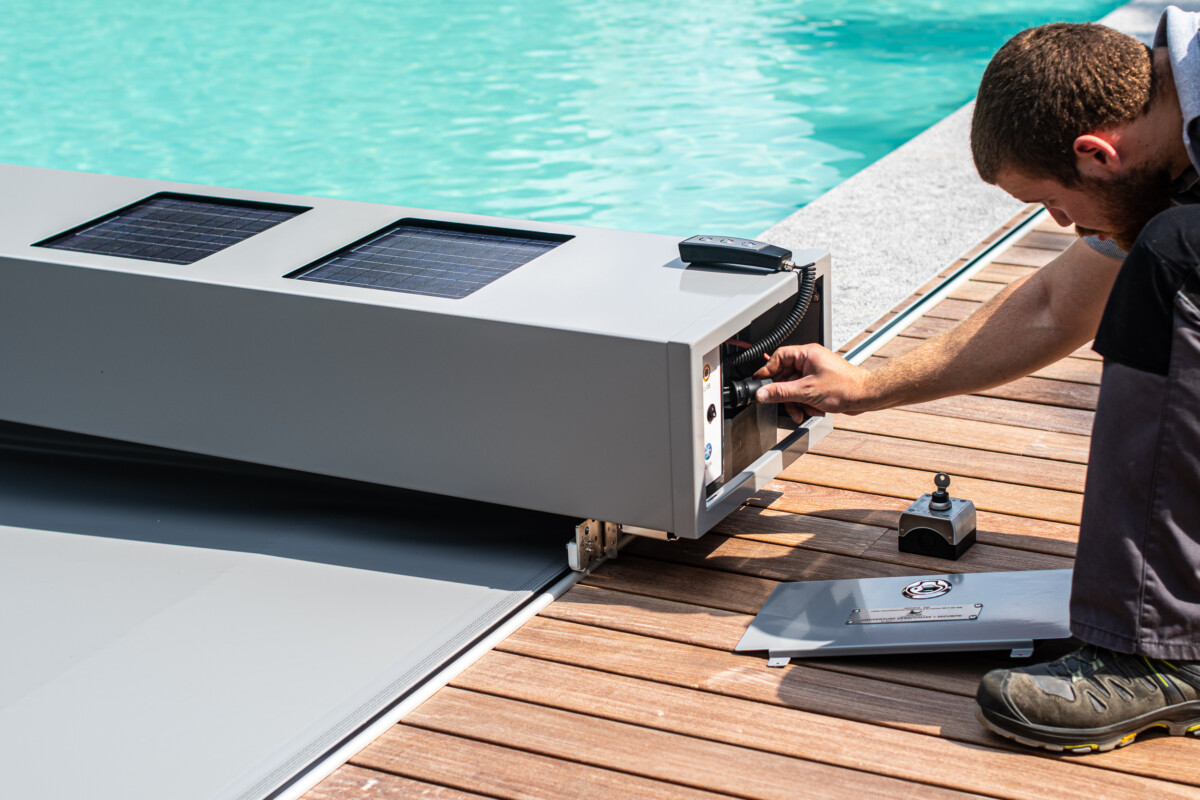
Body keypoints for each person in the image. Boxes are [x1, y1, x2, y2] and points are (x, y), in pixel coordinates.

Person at [755, 9, 1200, 753]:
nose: (1061, 224)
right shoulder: (1171, 111)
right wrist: (866, 385)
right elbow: (1056, 304)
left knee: (1179, 258)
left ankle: (1158, 654)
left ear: (1097, 152)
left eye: (1051, 203)